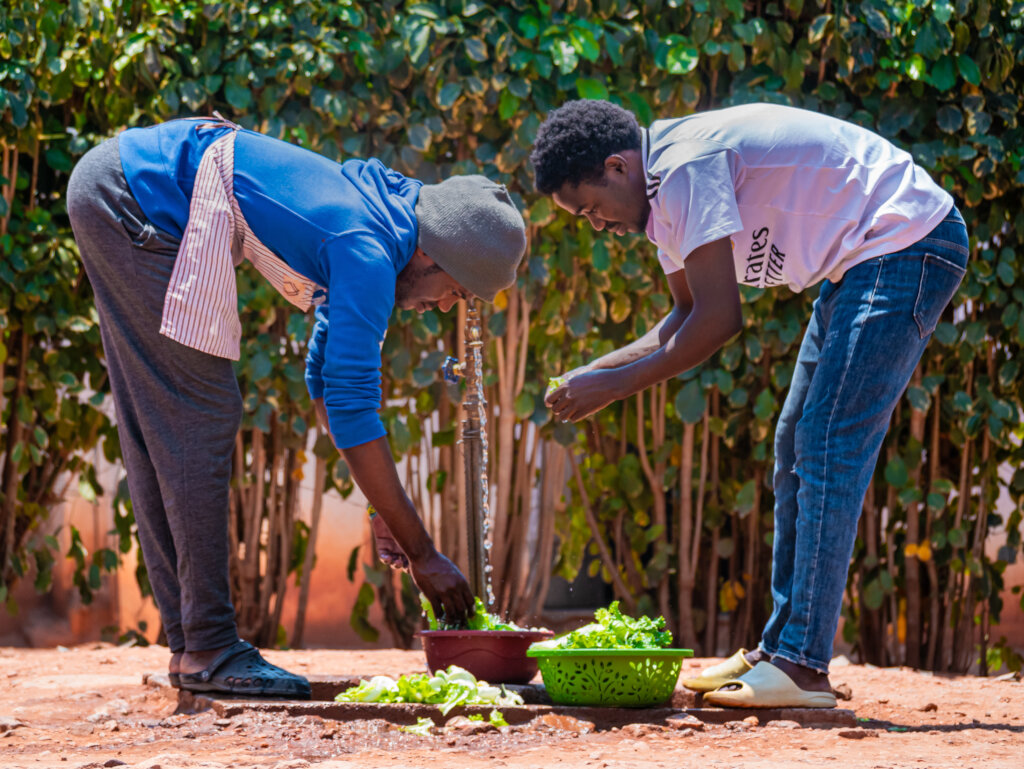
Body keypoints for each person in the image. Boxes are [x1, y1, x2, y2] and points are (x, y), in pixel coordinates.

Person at [67, 114, 527, 698]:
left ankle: (195, 648)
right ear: (436, 259)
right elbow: (354, 406)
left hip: (121, 185)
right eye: (455, 294)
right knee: (198, 414)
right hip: (133, 196)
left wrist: (382, 510)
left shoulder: (381, 218)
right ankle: (207, 647)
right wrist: (423, 554)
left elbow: (324, 379)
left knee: (170, 420)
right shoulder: (366, 246)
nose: (441, 308)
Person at [531, 99, 967, 708]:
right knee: (795, 445)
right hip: (860, 264)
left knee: (825, 445)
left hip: (905, 241)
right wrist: (592, 372)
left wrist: (614, 388)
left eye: (591, 208)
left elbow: (718, 320)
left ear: (617, 166)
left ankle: (804, 667)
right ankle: (781, 649)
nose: (596, 224)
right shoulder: (662, 200)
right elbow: (680, 316)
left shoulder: (684, 169)